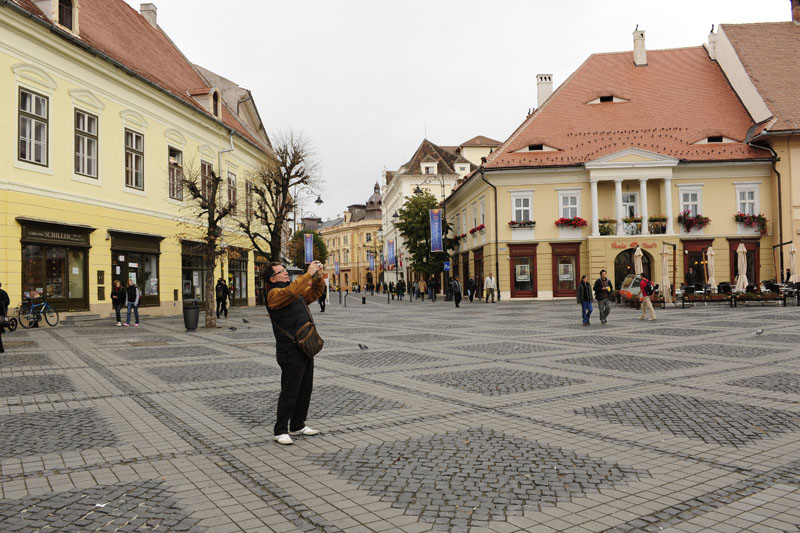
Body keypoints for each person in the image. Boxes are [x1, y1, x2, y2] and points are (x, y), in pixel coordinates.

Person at [265, 260, 325, 445]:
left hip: (304, 347)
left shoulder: (294, 292)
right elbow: (290, 292)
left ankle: (298, 424)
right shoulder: (274, 294)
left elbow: (314, 293)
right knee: (290, 391)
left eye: (285, 270)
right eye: (281, 272)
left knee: (305, 388)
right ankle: (280, 429)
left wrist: (318, 277)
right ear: (272, 279)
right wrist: (307, 274)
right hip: (289, 350)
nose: (285, 273)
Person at [0, 281, 10, 354]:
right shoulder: (3, 292)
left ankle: (1, 348)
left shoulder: (3, 293)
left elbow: (7, 301)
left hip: (1, 314)